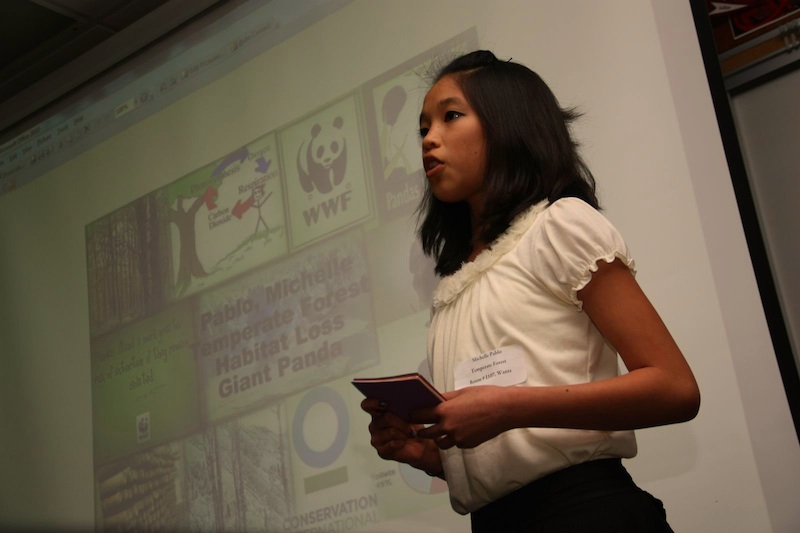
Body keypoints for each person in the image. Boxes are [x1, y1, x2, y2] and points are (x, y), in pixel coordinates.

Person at [361, 50, 700, 532]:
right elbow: (515, 457)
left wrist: (508, 407)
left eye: (450, 116)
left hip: (586, 514)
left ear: (508, 127)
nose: (429, 139)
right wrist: (431, 455)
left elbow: (675, 388)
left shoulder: (559, 224)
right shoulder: (459, 279)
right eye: (422, 128)